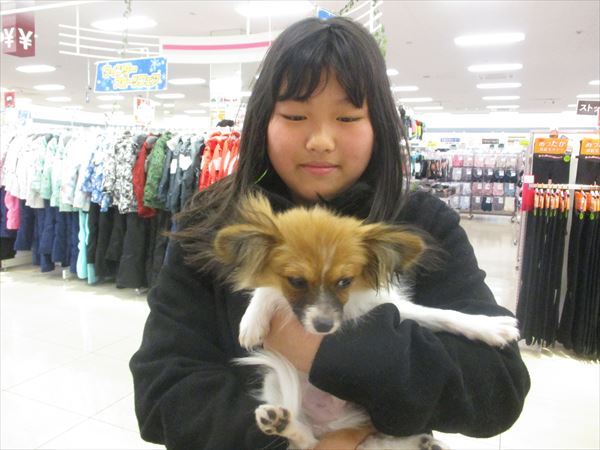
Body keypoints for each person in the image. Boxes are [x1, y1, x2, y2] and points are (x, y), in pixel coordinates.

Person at [129, 16, 531, 450]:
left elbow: (497, 390)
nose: (321, 140)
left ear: (378, 124)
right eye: (295, 115)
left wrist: (326, 352)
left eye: (347, 116)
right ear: (264, 121)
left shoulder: (421, 222)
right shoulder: (211, 222)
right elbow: (162, 391)